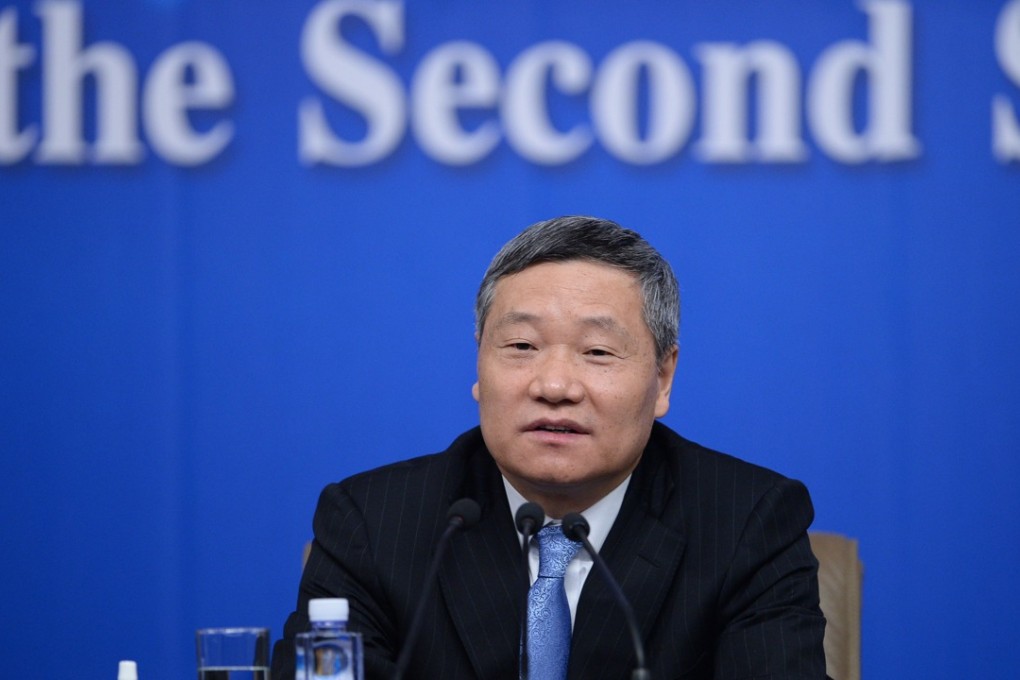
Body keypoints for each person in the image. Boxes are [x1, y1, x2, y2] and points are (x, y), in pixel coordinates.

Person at [272, 216, 828, 679]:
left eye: (598, 351)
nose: (555, 386)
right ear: (479, 365)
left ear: (663, 378)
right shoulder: (373, 522)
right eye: (521, 345)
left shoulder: (747, 523)